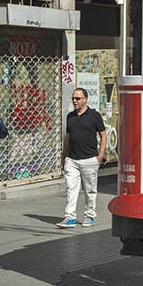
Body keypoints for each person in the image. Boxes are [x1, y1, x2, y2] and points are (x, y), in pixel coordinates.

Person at [57, 88, 107, 228]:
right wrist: (63, 157)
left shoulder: (94, 116)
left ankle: (89, 216)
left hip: (90, 159)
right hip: (72, 159)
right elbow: (68, 137)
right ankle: (69, 217)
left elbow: (103, 135)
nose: (75, 101)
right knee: (71, 188)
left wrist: (100, 155)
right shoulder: (70, 116)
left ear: (85, 99)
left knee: (90, 190)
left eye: (78, 98)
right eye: (73, 98)